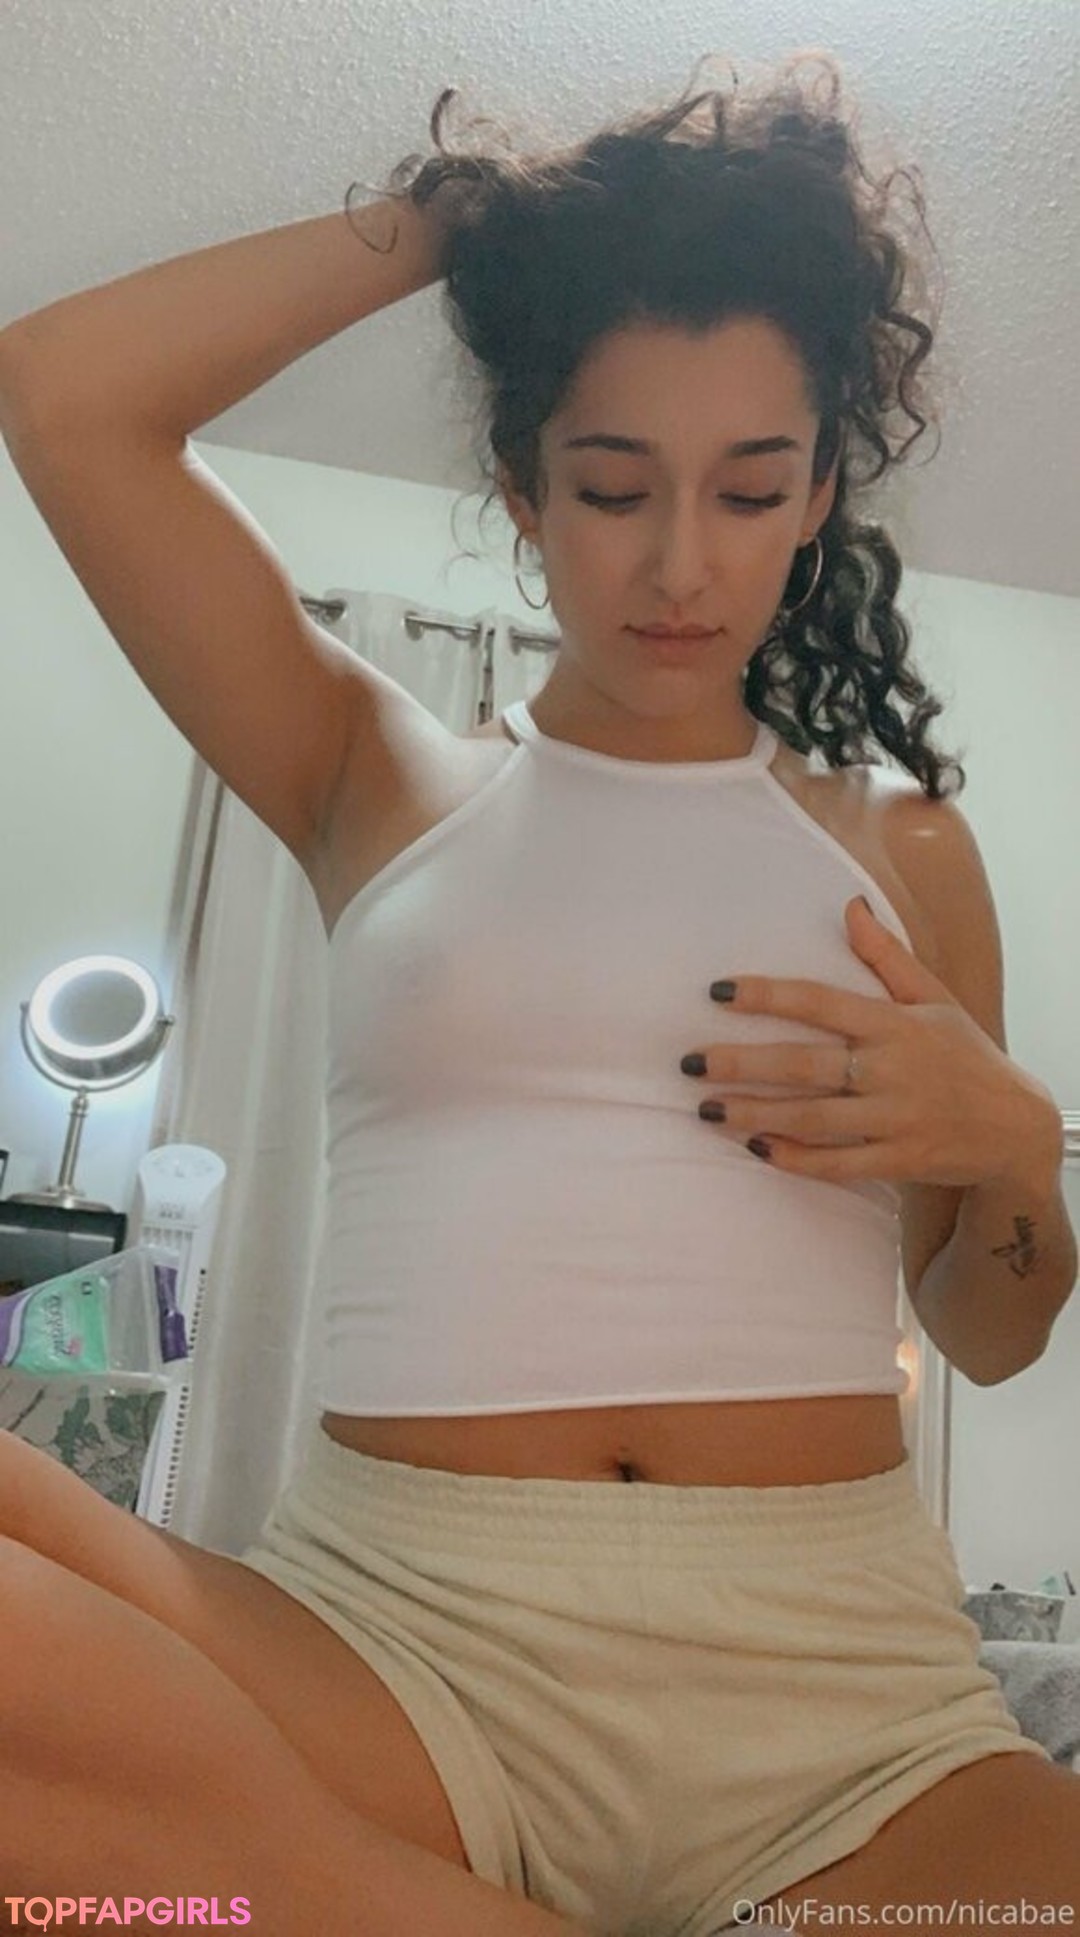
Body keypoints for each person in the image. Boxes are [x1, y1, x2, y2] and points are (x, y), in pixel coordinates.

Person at [1, 48, 1077, 1937]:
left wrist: (1017, 1151)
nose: (680, 563)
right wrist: (467, 222)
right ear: (521, 485)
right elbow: (62, 392)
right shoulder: (370, 770)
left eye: (751, 489)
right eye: (612, 486)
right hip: (394, 1654)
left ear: (821, 489)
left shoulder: (906, 849)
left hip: (847, 1708)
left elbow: (990, 1333)